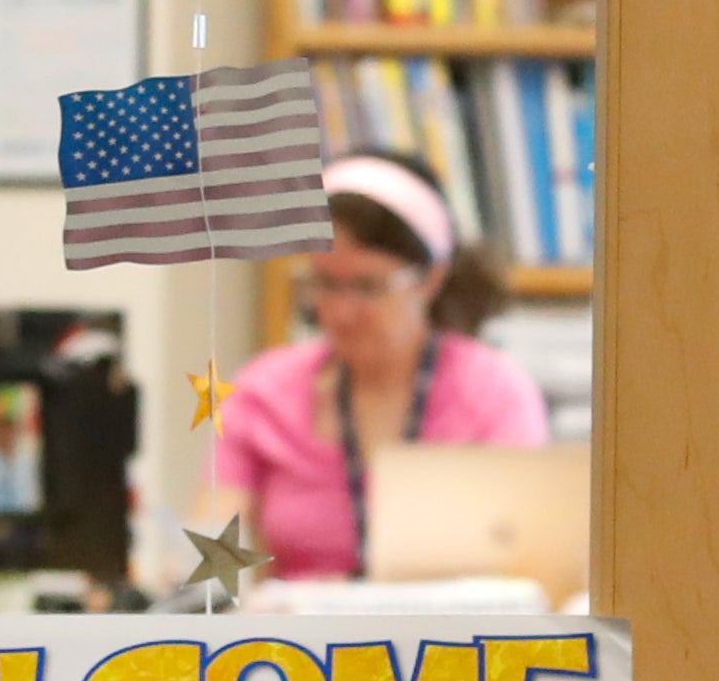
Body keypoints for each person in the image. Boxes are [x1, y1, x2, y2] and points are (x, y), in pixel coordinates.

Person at [197, 153, 547, 582]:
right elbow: (208, 552)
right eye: (325, 282)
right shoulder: (263, 391)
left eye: (366, 286)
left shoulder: (494, 391)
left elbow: (527, 561)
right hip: (298, 645)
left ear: (430, 279)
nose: (341, 313)